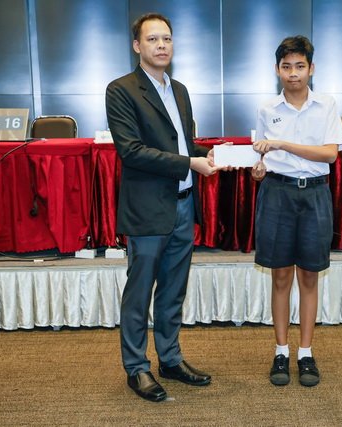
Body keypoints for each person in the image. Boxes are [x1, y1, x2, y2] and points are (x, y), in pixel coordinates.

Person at [105, 13, 221, 402]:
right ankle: (136, 368)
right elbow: (132, 151)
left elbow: (181, 144)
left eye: (167, 39)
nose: (161, 45)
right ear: (137, 46)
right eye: (153, 39)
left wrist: (212, 154)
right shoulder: (121, 90)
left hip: (183, 205)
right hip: (147, 209)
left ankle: (170, 359)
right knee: (139, 293)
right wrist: (191, 163)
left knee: (173, 291)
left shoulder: (180, 90)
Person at [250, 35, 342, 387]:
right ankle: (281, 351)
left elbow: (330, 154)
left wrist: (283, 144)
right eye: (286, 67)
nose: (293, 73)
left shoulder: (326, 105)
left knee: (308, 277)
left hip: (315, 194)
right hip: (276, 193)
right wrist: (258, 169)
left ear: (311, 68)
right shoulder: (267, 109)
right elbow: (262, 158)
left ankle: (305, 353)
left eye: (300, 66)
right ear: (277, 70)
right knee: (280, 277)